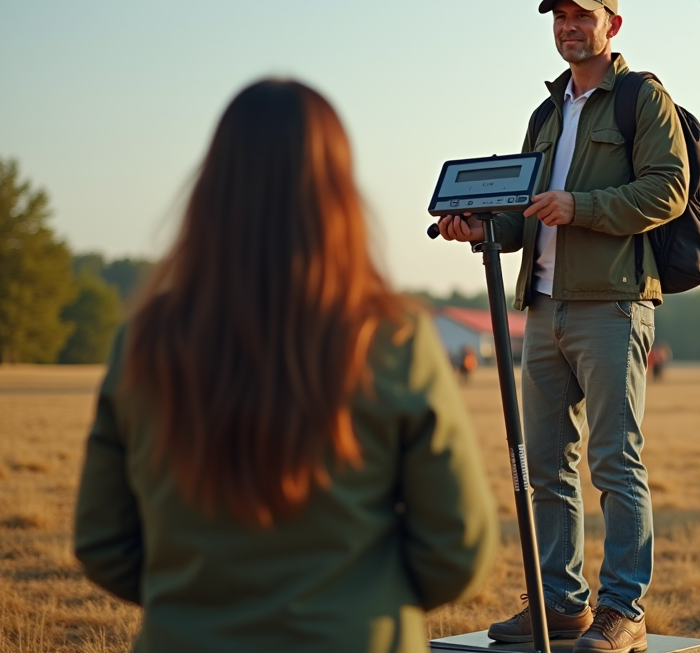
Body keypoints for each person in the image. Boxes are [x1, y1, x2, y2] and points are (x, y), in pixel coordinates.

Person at [74, 80, 497, 653]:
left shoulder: (145, 340)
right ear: (338, 193)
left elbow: (102, 542)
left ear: (213, 187)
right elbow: (458, 549)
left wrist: (192, 596)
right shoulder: (395, 339)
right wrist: (363, 601)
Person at [437, 0, 688, 651]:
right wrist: (482, 227)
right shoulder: (546, 116)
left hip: (612, 305)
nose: (568, 27)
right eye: (559, 17)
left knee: (615, 462)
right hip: (541, 311)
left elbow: (669, 190)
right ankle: (562, 604)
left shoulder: (643, 100)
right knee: (543, 464)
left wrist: (583, 207)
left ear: (614, 25)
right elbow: (525, 218)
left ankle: (624, 612)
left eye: (582, 17)